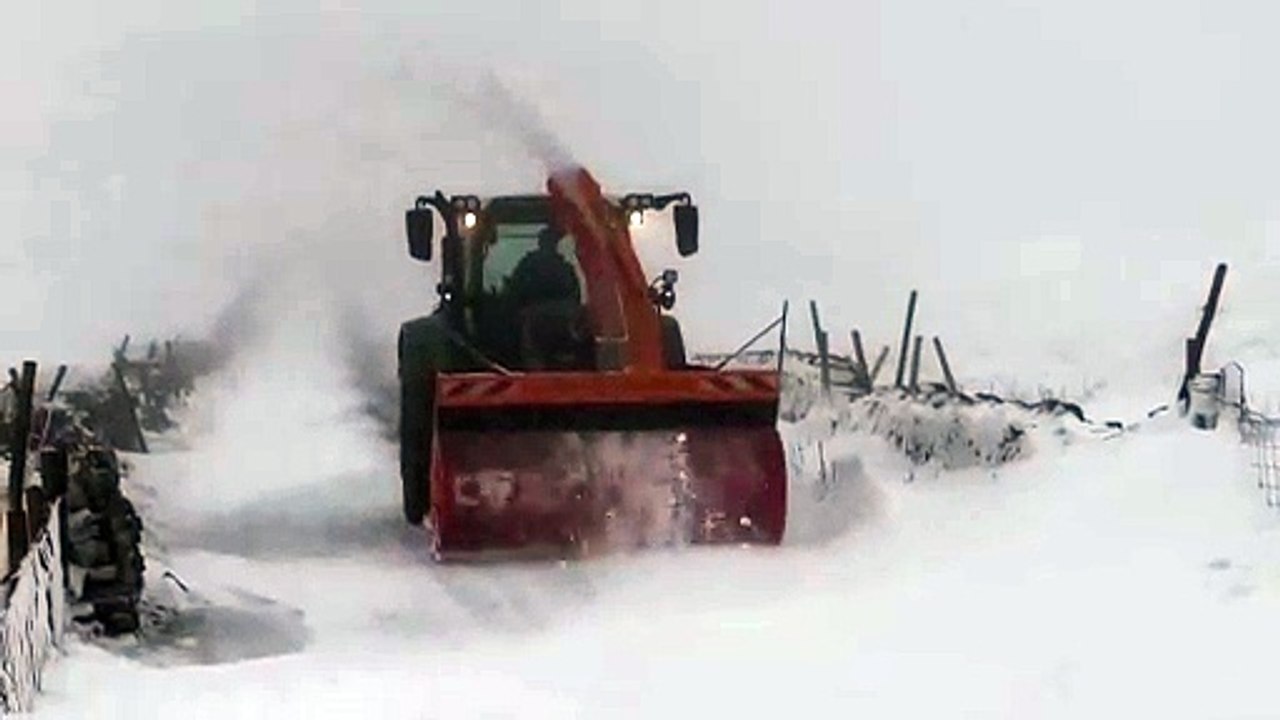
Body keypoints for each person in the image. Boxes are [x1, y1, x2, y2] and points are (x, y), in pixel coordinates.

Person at [506, 224, 587, 369]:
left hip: (535, 315)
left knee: (532, 351)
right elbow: (576, 294)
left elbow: (515, 289)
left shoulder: (528, 264)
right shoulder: (565, 267)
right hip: (564, 314)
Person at [506, 224, 581, 309]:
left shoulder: (565, 266)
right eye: (546, 240)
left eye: (550, 241)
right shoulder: (529, 262)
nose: (548, 244)